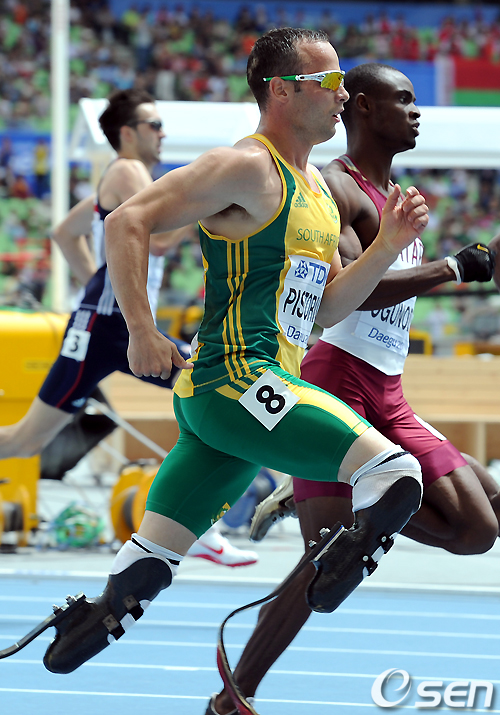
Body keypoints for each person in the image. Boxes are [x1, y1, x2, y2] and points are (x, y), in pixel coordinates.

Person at [41, 27, 429, 679]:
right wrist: (141, 327)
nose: (343, 95)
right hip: (238, 381)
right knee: (395, 474)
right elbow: (126, 221)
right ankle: (325, 570)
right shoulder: (248, 166)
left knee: (149, 565)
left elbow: (326, 309)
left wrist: (385, 248)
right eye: (330, 82)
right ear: (282, 91)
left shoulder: (316, 192)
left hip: (240, 408)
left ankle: (92, 615)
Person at [209, 62, 499, 715]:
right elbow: (346, 295)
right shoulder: (334, 188)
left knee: (482, 523)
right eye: (404, 100)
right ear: (363, 106)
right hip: (338, 380)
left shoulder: (399, 194)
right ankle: (231, 700)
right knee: (324, 562)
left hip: (388, 388)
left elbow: (425, 280)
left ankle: (341, 498)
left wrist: (472, 264)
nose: (417, 112)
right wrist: (452, 268)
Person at [0, 88, 258, 569]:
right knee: (214, 387)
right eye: (154, 125)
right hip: (108, 327)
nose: (162, 134)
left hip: (107, 324)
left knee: (24, 441)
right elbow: (156, 243)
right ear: (127, 133)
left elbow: (65, 232)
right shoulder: (127, 171)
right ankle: (199, 526)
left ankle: (198, 526)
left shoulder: (125, 177)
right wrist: (211, 198)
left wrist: (96, 288)